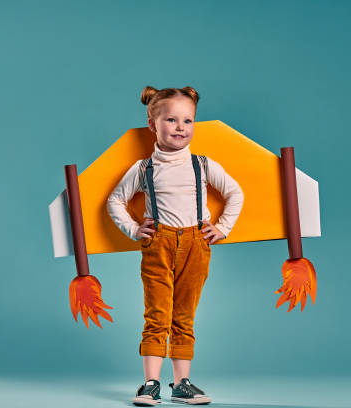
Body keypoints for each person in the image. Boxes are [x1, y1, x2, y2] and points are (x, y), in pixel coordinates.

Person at [107, 86, 244, 406]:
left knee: (184, 315)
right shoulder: (144, 168)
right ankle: (150, 384)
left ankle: (181, 383)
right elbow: (115, 200)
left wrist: (222, 228)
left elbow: (235, 193)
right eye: (171, 119)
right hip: (159, 243)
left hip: (196, 244)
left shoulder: (203, 165)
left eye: (188, 120)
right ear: (152, 125)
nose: (181, 127)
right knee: (157, 313)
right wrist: (132, 228)